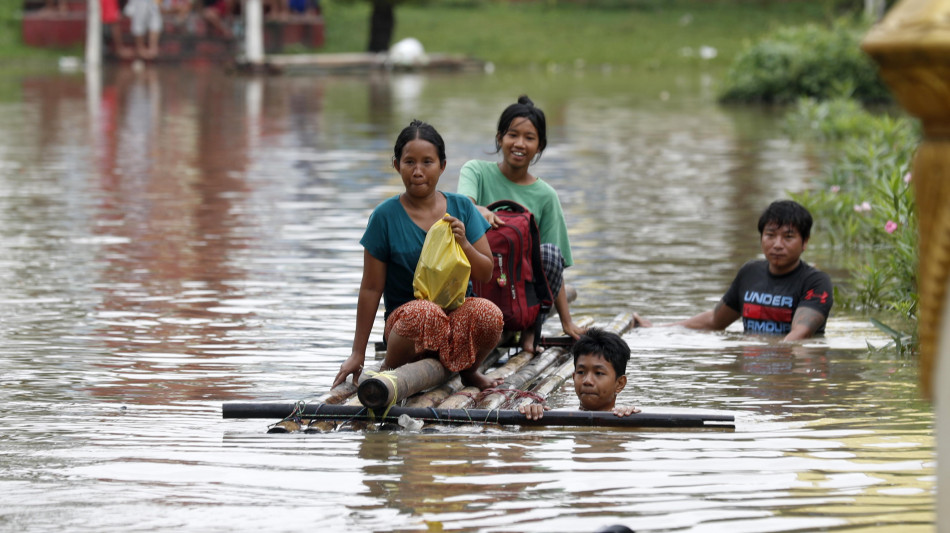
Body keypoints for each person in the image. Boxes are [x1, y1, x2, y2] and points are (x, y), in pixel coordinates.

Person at [332, 120, 505, 391]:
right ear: (396, 165)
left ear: (442, 166)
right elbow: (371, 287)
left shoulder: (462, 208)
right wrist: (358, 353)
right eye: (409, 162)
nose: (418, 171)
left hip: (456, 319)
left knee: (489, 313)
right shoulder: (384, 216)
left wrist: (464, 244)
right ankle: (391, 371)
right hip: (408, 325)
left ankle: (469, 372)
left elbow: (485, 272)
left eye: (427, 162)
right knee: (427, 313)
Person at [458, 95, 585, 352]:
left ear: (540, 147)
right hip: (478, 284)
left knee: (548, 253)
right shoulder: (476, 172)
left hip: (519, 297)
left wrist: (566, 321)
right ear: (499, 138)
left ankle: (530, 333)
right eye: (512, 135)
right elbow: (462, 207)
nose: (519, 144)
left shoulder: (546, 195)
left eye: (529, 138)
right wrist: (479, 210)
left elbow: (554, 267)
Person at [648, 200, 833, 341]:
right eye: (770, 235)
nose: (777, 245)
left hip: (792, 369)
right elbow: (715, 320)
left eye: (788, 237)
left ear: (805, 242)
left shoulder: (815, 282)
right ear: (761, 237)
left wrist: (774, 365)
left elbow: (799, 335)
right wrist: (656, 328)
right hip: (753, 371)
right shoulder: (750, 273)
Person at [519, 328, 640, 419]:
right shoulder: (554, 417)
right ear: (573, 377)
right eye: (581, 372)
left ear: (620, 383)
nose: (587, 381)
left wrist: (631, 421)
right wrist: (532, 418)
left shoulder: (628, 419)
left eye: (598, 373)